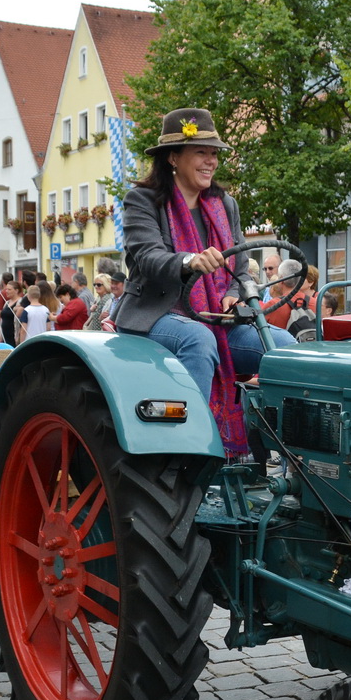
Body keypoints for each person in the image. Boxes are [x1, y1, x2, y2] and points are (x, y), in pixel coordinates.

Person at [112, 107, 295, 450]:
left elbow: (239, 268)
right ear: (173, 157)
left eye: (214, 154)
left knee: (284, 348)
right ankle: (191, 451)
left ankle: (288, 459)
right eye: (201, 152)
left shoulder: (224, 204)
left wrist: (232, 292)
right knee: (198, 340)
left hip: (217, 317)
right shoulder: (143, 200)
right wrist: (190, 260)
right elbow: (149, 258)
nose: (211, 161)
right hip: (158, 314)